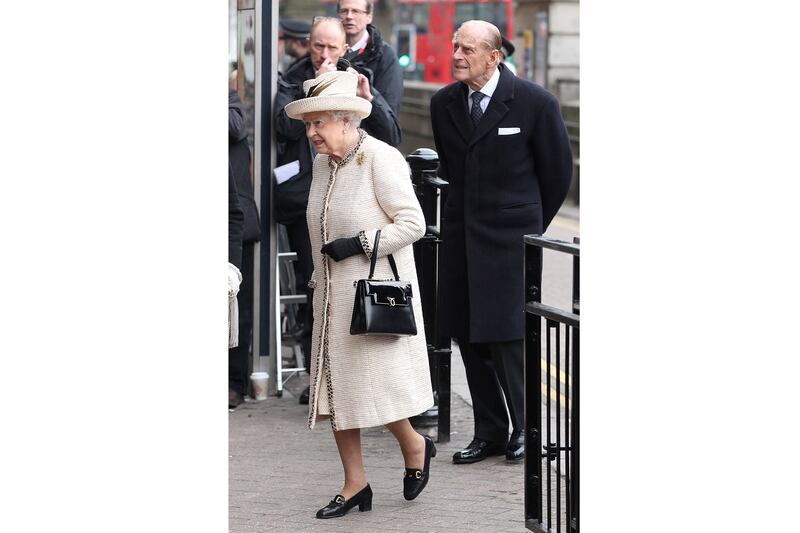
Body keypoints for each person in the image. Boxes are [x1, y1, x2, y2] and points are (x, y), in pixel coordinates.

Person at [284, 70, 435, 519]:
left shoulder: (380, 159)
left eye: (319, 124)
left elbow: (414, 224)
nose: (312, 133)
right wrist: (316, 278)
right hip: (330, 295)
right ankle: (355, 484)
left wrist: (361, 243)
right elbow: (320, 224)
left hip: (371, 296)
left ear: (347, 120)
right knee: (335, 392)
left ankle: (414, 445)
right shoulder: (322, 163)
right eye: (308, 125)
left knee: (376, 389)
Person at [429, 20, 573, 464]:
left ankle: (528, 432)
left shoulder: (535, 103)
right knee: (470, 338)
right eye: (455, 46)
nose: (456, 55)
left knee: (510, 339)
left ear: (494, 57)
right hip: (461, 241)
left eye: (467, 48)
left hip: (511, 243)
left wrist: (527, 228)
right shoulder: (443, 103)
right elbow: (453, 169)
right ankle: (490, 432)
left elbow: (557, 174)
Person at [274, 16, 401, 404]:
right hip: (305, 199)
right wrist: (314, 93)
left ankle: (360, 383)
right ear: (308, 45)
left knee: (356, 295)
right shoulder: (293, 75)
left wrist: (366, 96)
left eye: (332, 48)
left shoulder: (360, 81)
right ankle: (321, 378)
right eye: (318, 47)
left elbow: (390, 132)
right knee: (314, 287)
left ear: (345, 47)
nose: (325, 55)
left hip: (358, 200)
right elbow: (286, 129)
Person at [229, 87, 261, 409]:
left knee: (239, 309)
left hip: (234, 227)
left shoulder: (229, 103)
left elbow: (236, 126)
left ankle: (234, 383)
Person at [337, 0, 403, 116]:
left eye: (356, 11)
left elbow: (389, 109)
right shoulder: (326, 51)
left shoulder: (385, 56)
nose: (349, 16)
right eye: (344, 11)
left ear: (369, 17)